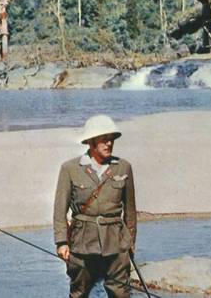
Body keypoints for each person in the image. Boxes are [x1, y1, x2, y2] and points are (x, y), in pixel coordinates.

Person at [53, 115, 137, 298]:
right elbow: (60, 210)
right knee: (79, 292)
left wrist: (130, 242)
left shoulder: (123, 167)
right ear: (91, 141)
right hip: (82, 244)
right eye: (103, 139)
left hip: (116, 243)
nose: (109, 143)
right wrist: (61, 242)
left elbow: (130, 212)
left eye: (111, 139)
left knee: (121, 292)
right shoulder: (70, 168)